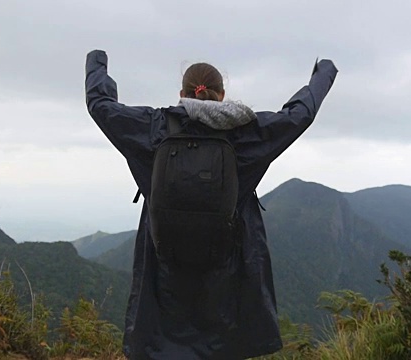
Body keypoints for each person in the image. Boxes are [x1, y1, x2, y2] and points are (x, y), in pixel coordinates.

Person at [85, 50, 337, 360]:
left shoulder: (152, 129)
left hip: (164, 268)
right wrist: (323, 72)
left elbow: (100, 106)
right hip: (227, 273)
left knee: (164, 345)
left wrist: (97, 62)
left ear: (182, 94)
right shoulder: (246, 134)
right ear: (222, 95)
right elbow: (300, 115)